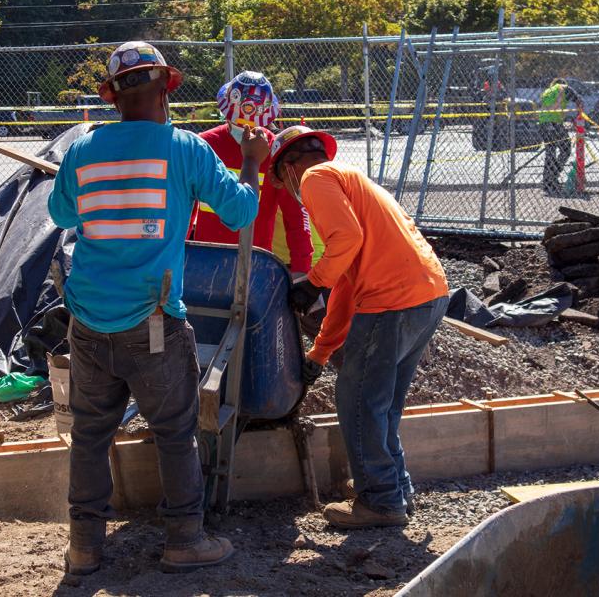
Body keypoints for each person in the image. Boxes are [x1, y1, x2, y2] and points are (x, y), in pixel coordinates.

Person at [48, 41, 266, 576]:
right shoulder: (185, 148)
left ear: (112, 97)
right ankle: (184, 540)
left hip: (88, 319)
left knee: (90, 435)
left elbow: (60, 211)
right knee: (174, 432)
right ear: (166, 89)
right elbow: (240, 211)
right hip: (153, 321)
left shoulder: (83, 150)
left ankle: (85, 548)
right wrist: (253, 163)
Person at [268, 125, 450, 529]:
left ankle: (381, 501)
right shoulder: (353, 183)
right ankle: (394, 488)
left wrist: (313, 282)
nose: (286, 190)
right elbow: (348, 288)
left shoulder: (316, 178)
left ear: (290, 166)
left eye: (281, 181)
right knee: (381, 402)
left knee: (358, 401)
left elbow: (345, 241)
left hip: (393, 300)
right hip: (428, 294)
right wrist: (319, 352)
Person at [193, 71, 314, 276]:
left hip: (210, 262)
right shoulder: (203, 145)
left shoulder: (201, 145)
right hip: (246, 265)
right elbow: (297, 221)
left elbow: (296, 217)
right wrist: (302, 272)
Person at [537, 78, 582, 195]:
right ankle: (552, 177)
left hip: (543, 124)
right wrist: (580, 117)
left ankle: (548, 182)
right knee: (566, 149)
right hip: (554, 123)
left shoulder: (547, 91)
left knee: (550, 152)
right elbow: (579, 101)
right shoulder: (563, 88)